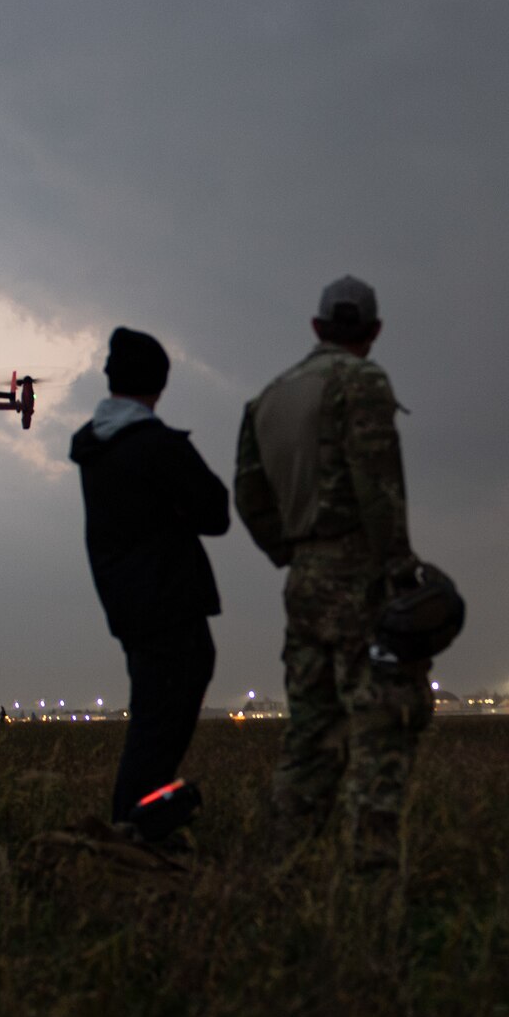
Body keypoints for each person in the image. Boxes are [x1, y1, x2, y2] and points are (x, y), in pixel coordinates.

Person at [234, 276, 428, 875]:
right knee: (381, 726)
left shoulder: (267, 398)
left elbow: (248, 495)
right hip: (360, 572)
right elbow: (378, 482)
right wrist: (398, 568)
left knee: (310, 732)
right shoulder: (363, 381)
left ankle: (284, 868)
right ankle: (371, 878)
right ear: (373, 333)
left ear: (317, 329)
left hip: (305, 578)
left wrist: (293, 554)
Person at [69, 327, 229, 840]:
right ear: (160, 382)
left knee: (153, 710)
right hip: (170, 598)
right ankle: (132, 828)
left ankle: (141, 818)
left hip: (127, 602)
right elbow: (216, 511)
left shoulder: (94, 447)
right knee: (160, 718)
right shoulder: (156, 446)